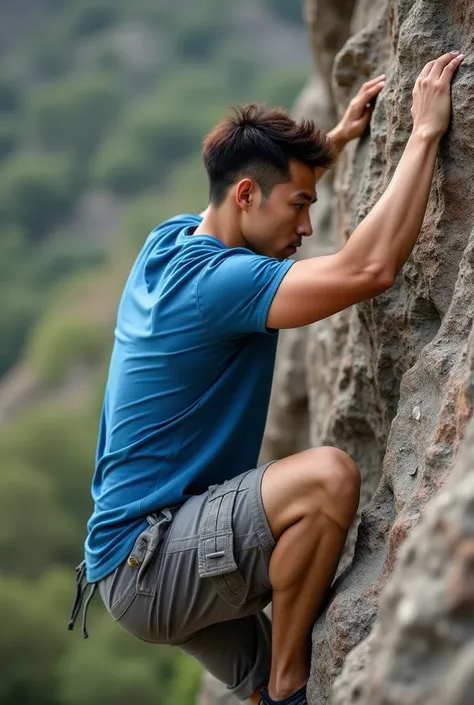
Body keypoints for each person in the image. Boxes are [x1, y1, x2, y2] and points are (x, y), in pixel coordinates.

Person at [68, 51, 464, 705]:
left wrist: (329, 146)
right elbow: (370, 270)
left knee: (255, 676)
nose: (307, 227)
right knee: (327, 480)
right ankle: (290, 690)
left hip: (126, 560)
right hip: (158, 557)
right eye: (299, 205)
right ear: (247, 195)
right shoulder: (219, 284)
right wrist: (423, 135)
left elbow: (257, 203)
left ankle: (271, 687)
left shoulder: (167, 241)